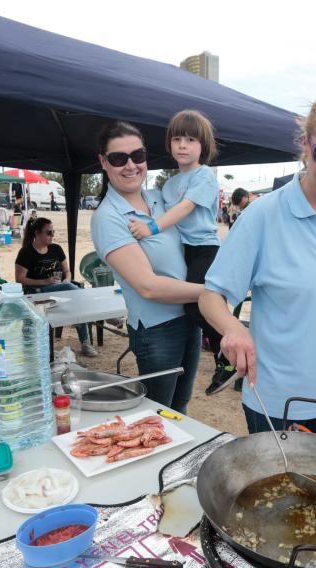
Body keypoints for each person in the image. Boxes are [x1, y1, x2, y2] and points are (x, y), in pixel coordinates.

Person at [199, 84, 316, 436]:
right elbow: (211, 296)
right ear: (306, 145)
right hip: (276, 397)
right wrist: (233, 329)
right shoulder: (263, 215)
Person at [91, 121, 203, 412]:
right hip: (158, 329)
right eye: (118, 158)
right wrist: (211, 292)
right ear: (103, 162)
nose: (130, 165)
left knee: (181, 407)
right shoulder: (108, 217)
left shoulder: (161, 197)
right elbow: (148, 287)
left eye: (137, 156)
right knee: (159, 413)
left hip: (190, 317)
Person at [127, 110, 235, 395]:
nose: (183, 145)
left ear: (203, 146)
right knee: (188, 309)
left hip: (204, 249)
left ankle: (230, 347)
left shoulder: (205, 177)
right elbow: (159, 207)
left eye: (190, 139)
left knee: (198, 305)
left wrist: (151, 228)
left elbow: (184, 209)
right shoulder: (169, 184)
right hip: (183, 251)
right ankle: (226, 346)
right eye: (177, 139)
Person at [14, 216, 97, 357]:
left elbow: (67, 272)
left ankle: (85, 343)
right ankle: (99, 315)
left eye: (53, 232)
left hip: (60, 287)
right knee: (73, 291)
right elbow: (20, 279)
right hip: (37, 292)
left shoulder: (56, 249)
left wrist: (66, 281)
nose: (52, 235)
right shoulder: (26, 253)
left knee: (73, 291)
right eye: (48, 232)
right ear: (37, 233)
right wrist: (45, 282)